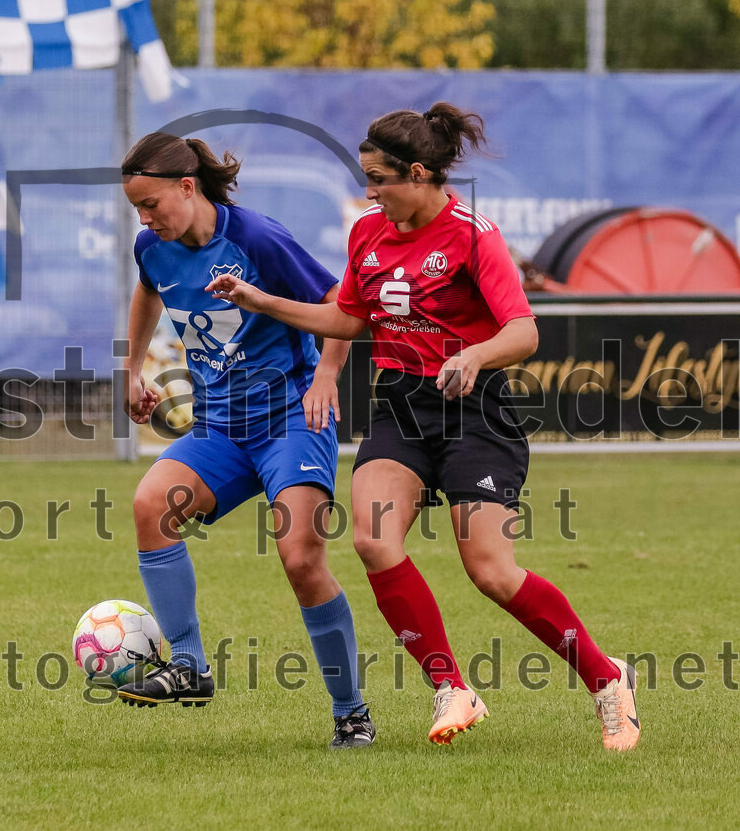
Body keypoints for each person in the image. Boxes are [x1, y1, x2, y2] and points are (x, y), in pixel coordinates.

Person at [208, 102, 640, 751]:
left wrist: (475, 354)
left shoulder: (473, 236)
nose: (369, 192)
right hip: (401, 408)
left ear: (417, 173)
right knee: (373, 538)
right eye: (365, 179)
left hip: (476, 414)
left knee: (492, 572)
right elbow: (349, 320)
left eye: (378, 179)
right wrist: (262, 301)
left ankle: (607, 681)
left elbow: (524, 330)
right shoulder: (368, 235)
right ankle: (452, 686)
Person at [117, 131, 375, 749]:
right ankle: (188, 666)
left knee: (301, 559)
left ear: (188, 187)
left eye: (152, 204)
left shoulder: (255, 237)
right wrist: (132, 367)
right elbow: (149, 289)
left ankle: (352, 713)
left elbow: (340, 298)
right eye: (137, 210)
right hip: (221, 427)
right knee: (152, 506)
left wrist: (326, 376)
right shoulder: (153, 247)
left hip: (291, 418)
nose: (146, 219)